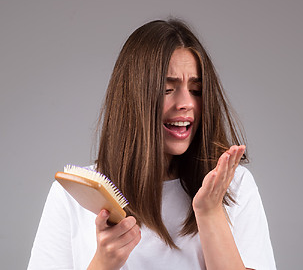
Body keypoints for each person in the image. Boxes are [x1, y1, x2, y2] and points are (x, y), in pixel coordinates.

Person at [28, 19, 276, 270]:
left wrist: (210, 213)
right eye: (168, 89)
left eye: (196, 90)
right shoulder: (73, 196)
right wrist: (103, 263)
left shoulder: (233, 188)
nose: (186, 103)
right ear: (133, 98)